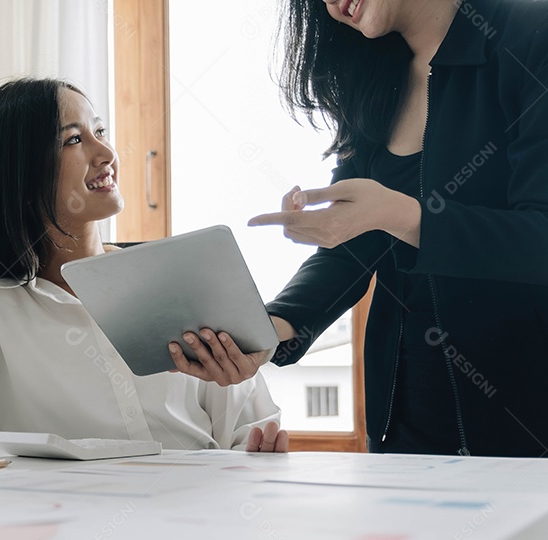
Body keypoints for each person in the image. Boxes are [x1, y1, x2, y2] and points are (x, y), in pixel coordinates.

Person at [0, 78, 289, 452]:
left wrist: (260, 447)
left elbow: (249, 428)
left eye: (100, 132)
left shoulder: (181, 284)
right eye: (74, 139)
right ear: (23, 172)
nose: (105, 154)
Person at [169, 0, 548, 457]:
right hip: (407, 434)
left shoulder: (531, 35)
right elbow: (349, 251)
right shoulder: (373, 77)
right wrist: (268, 330)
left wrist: (399, 214)